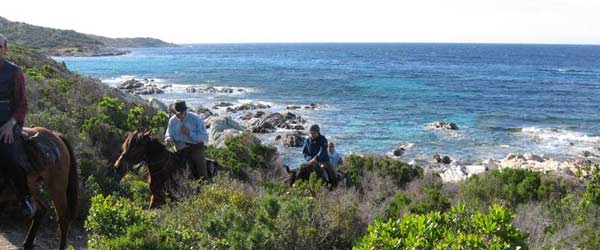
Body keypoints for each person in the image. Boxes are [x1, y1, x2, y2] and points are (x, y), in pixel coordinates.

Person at [0, 34, 35, 217]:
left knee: (9, 158)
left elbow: (22, 103)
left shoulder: (15, 72)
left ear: (5, 49)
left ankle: (25, 197)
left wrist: (11, 123)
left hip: (8, 122)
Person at [164, 100, 209, 181]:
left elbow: (203, 136)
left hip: (195, 147)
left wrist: (189, 133)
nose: (178, 115)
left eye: (180, 113)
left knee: (201, 171)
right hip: (179, 149)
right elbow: (168, 133)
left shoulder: (196, 119)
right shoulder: (172, 120)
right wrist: (168, 138)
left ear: (184, 111)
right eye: (176, 113)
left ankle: (205, 184)